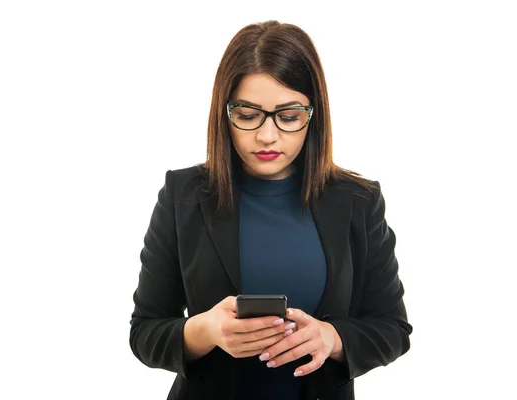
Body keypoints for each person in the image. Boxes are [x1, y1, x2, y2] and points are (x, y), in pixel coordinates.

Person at [129, 20, 412, 400]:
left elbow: (393, 329)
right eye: (247, 115)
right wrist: (205, 331)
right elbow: (144, 332)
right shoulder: (183, 195)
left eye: (289, 116)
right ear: (223, 115)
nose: (267, 135)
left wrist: (332, 338)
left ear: (314, 116)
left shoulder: (357, 201)